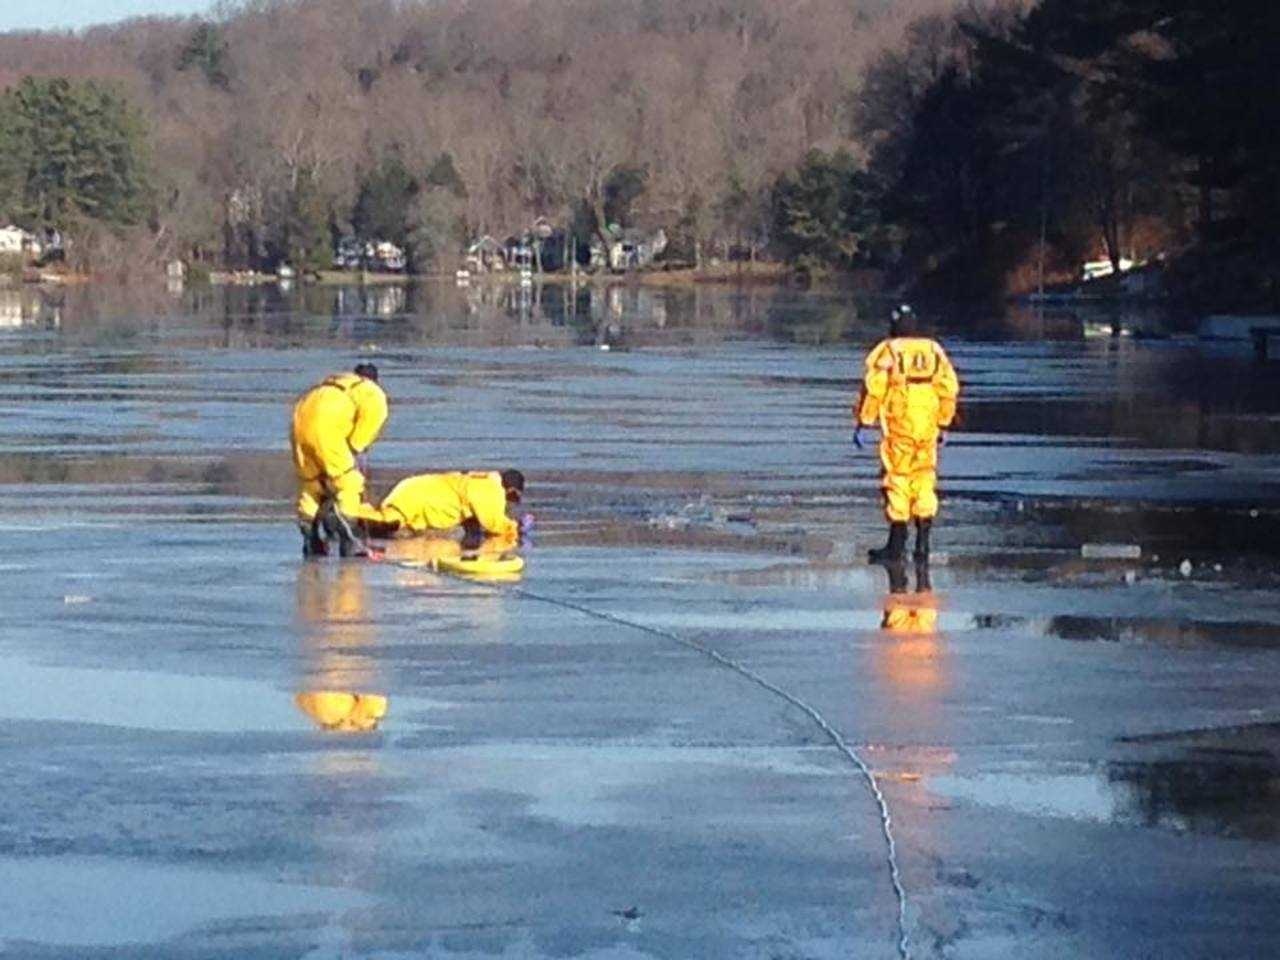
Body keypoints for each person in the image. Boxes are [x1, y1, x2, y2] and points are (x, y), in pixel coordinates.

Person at [854, 305, 960, 563]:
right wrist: (943, 423)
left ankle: (896, 545)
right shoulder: (934, 350)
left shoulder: (889, 350)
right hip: (928, 424)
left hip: (900, 422)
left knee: (898, 478)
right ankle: (923, 545)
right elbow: (948, 389)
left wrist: (864, 420)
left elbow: (875, 388)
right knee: (924, 477)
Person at [290, 362, 388, 557]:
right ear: (375, 380)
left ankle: (311, 540)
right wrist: (355, 446)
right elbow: (375, 417)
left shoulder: (335, 384)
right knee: (348, 483)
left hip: (299, 423)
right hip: (324, 428)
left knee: (313, 485)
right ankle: (351, 541)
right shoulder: (371, 391)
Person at [367, 469, 527, 545]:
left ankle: (360, 518)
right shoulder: (491, 489)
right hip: (425, 500)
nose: (508, 503)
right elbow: (494, 523)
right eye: (512, 498)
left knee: (389, 517)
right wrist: (516, 527)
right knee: (391, 522)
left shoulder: (476, 479)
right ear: (510, 489)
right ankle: (366, 526)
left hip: (412, 486)